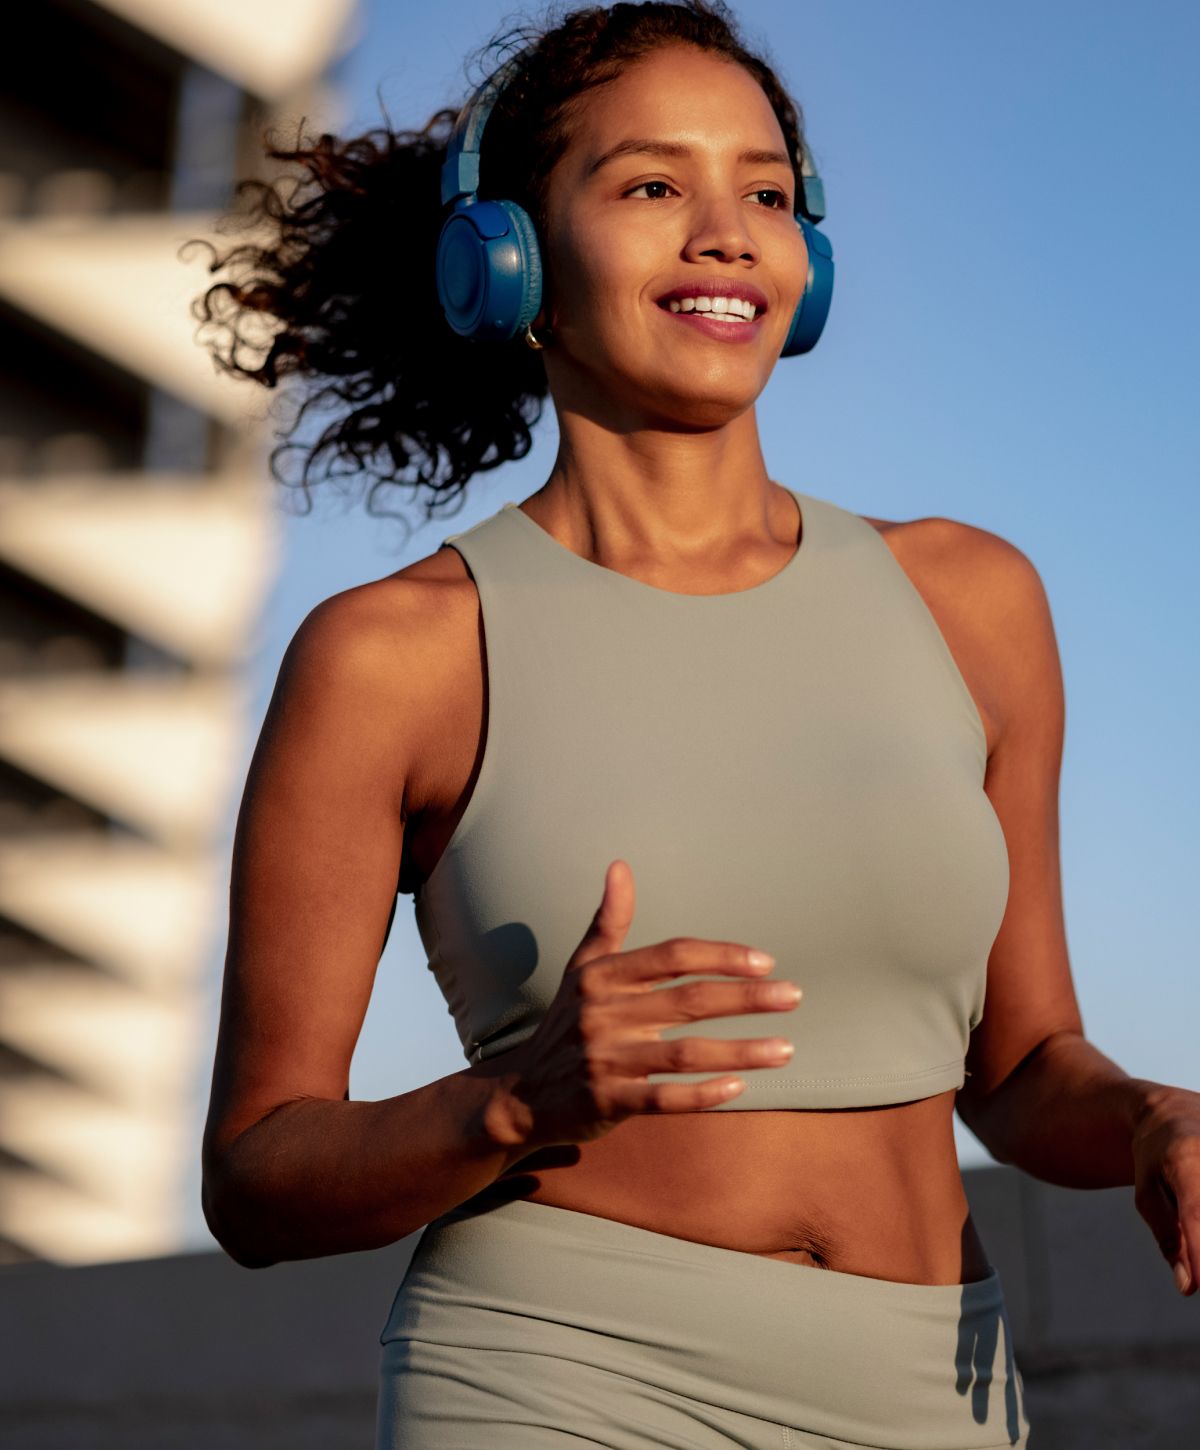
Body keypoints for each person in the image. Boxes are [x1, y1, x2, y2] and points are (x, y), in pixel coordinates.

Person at [194, 3, 1199, 1447]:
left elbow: (1029, 1067)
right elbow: (257, 1177)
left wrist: (1155, 1113)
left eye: (769, 193)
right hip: (555, 1381)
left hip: (939, 1386)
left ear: (812, 261)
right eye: (653, 185)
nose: (727, 232)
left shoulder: (974, 600)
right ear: (511, 257)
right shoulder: (395, 655)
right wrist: (508, 1104)